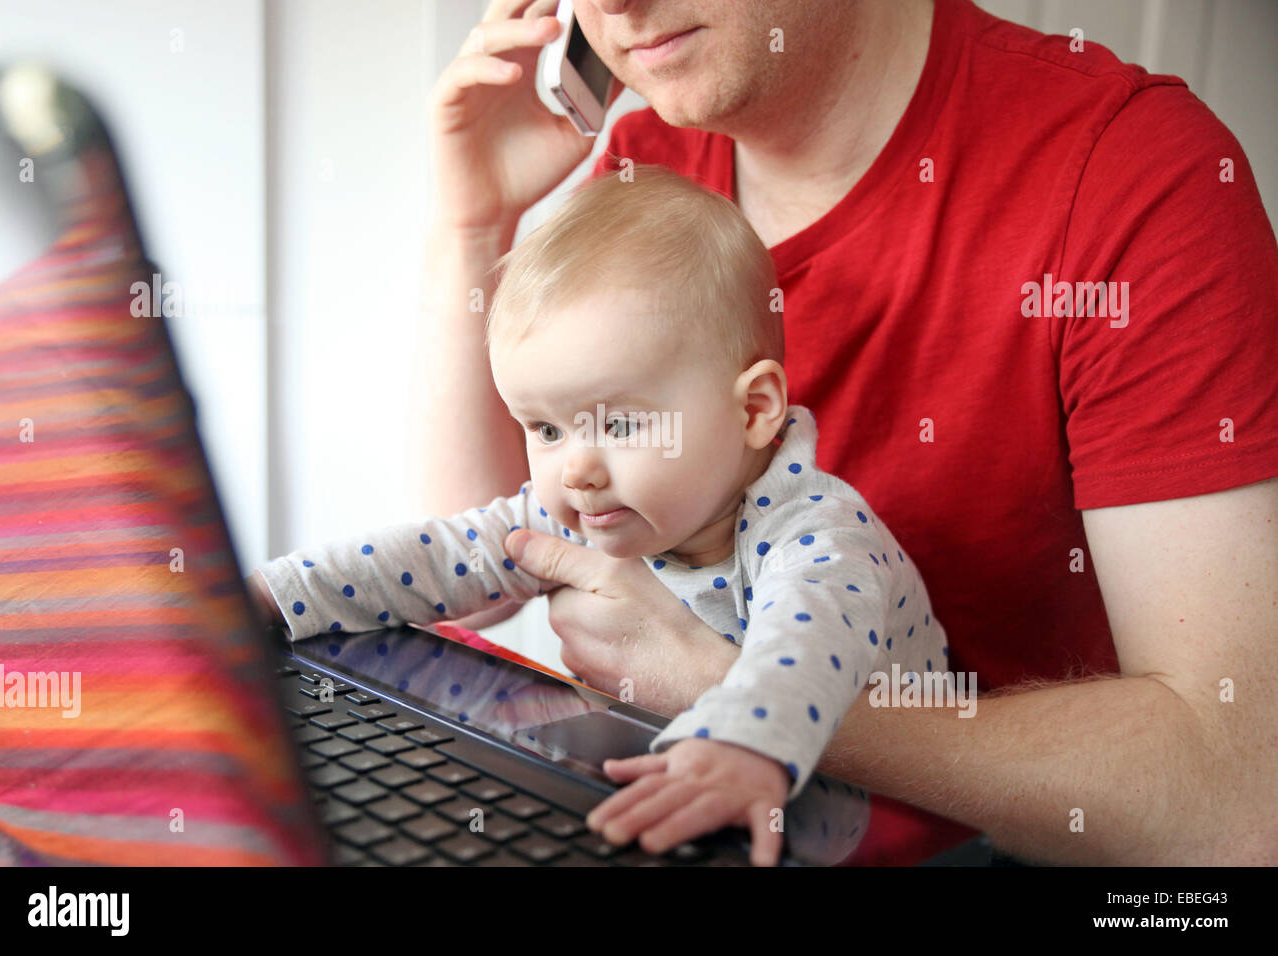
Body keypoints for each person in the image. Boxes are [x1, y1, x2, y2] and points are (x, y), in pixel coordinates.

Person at [413, 0, 1278, 866]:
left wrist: (729, 690)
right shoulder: (649, 172)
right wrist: (471, 228)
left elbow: (1238, 794)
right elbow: (493, 575)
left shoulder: (1134, 174)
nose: (610, 5)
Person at [249, 166, 948, 865]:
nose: (575, 469)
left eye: (617, 423)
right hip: (686, 785)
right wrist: (268, 596)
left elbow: (799, 655)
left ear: (753, 410)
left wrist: (742, 746)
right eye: (546, 430)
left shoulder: (817, 536)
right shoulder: (596, 505)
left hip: (867, 830)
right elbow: (438, 555)